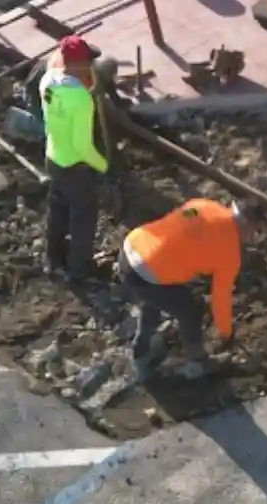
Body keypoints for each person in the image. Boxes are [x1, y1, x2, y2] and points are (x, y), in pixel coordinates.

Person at [117, 198, 255, 380]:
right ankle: (197, 363)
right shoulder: (230, 253)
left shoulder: (203, 206)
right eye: (254, 231)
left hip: (131, 249)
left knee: (157, 296)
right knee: (192, 310)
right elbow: (221, 298)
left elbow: (180, 218)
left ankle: (141, 348)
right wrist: (226, 332)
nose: (253, 236)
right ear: (245, 226)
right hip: (146, 273)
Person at [40, 35, 110, 280]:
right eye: (88, 62)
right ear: (80, 65)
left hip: (52, 157)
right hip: (73, 165)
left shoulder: (47, 81)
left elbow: (53, 67)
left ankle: (53, 258)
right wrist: (103, 166)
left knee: (58, 209)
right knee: (84, 215)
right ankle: (80, 270)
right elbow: (83, 147)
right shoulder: (81, 100)